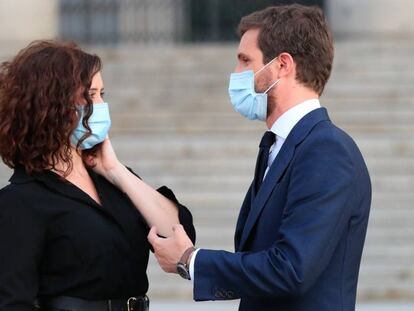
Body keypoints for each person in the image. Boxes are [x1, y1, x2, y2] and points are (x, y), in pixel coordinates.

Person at [148, 4, 371, 311]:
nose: (236, 74)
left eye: (244, 61)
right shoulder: (279, 145)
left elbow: (291, 269)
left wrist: (191, 260)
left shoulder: (326, 150)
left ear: (282, 65)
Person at [0, 40, 195, 311]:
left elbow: (179, 232)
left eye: (102, 93)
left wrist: (116, 171)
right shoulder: (20, 200)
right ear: (51, 105)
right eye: (90, 95)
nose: (101, 105)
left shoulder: (112, 179)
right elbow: (13, 301)